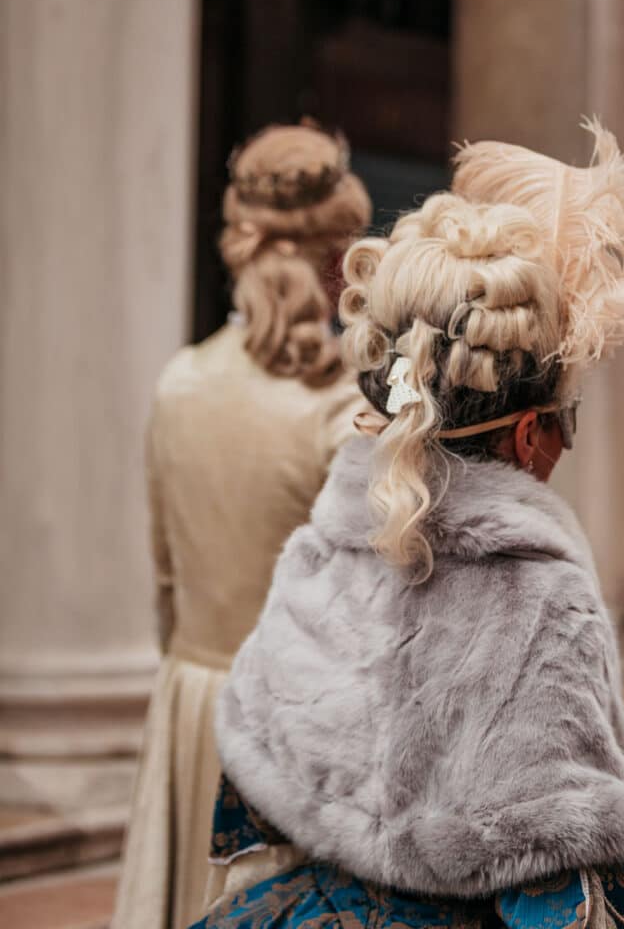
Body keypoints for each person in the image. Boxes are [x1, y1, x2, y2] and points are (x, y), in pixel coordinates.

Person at [199, 128, 624, 928]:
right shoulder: (540, 598)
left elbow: (258, 788)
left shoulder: (317, 553)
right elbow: (561, 888)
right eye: (564, 422)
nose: (561, 442)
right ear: (528, 436)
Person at [111, 122, 372, 929]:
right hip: (289, 732)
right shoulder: (343, 412)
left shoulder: (178, 383)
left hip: (190, 709)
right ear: (339, 259)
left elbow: (165, 582)